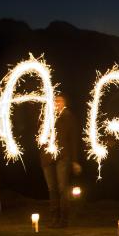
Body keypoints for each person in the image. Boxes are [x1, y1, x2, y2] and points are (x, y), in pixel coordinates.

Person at [40, 94, 82, 228]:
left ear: (64, 103)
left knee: (62, 189)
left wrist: (75, 161)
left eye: (59, 101)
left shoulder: (68, 117)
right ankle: (54, 218)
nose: (56, 103)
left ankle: (63, 220)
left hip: (63, 157)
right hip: (47, 158)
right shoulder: (46, 117)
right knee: (52, 189)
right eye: (55, 101)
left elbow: (74, 140)